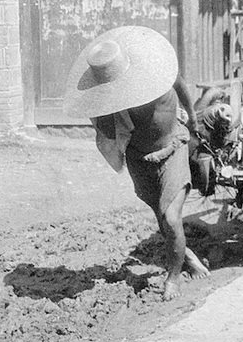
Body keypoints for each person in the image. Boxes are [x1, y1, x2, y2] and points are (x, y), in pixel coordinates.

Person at [62, 25, 209, 300]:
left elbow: (180, 85)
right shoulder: (105, 100)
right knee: (160, 215)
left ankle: (173, 277)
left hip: (172, 149)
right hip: (139, 158)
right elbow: (107, 133)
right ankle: (186, 256)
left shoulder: (156, 75)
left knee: (171, 217)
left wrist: (193, 115)